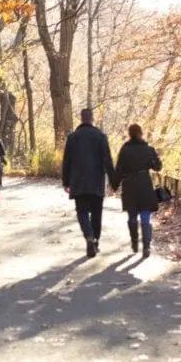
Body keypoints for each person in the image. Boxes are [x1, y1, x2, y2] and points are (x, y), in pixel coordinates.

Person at [62, 108, 116, 258]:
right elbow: (107, 160)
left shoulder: (73, 137)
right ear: (92, 119)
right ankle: (95, 241)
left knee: (82, 211)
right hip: (97, 181)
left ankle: (88, 235)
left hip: (78, 181)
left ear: (81, 118)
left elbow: (67, 161)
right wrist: (113, 181)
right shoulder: (100, 136)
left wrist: (66, 181)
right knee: (97, 213)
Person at [112, 124, 163, 258]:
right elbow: (158, 167)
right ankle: (146, 246)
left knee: (132, 216)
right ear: (141, 133)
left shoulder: (125, 150)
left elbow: (119, 170)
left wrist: (114, 185)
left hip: (129, 185)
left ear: (129, 134)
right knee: (146, 215)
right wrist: (156, 157)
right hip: (145, 183)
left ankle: (134, 242)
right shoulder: (148, 149)